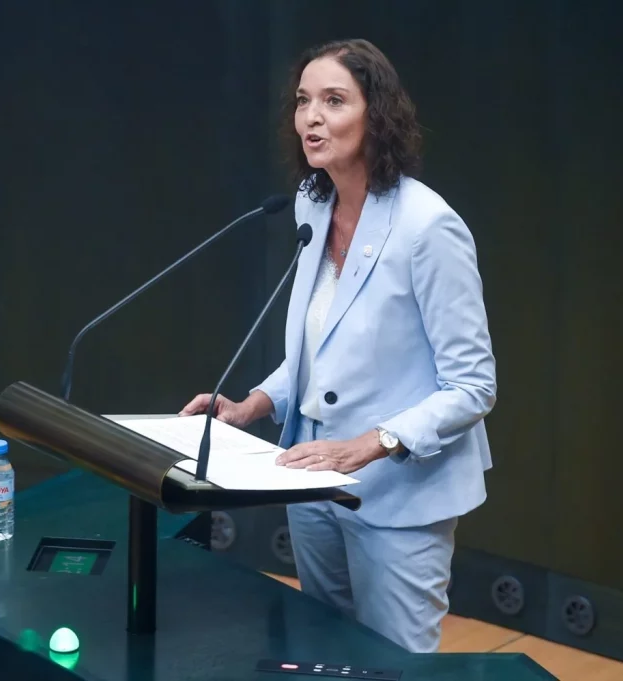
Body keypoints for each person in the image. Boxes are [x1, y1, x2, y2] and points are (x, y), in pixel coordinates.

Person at [179, 38, 497, 653]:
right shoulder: (313, 201)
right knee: (325, 655)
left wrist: (370, 445)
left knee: (392, 664)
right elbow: (319, 348)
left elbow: (474, 386)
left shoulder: (427, 228)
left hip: (399, 494)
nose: (312, 118)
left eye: (333, 100)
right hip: (310, 483)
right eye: (303, 102)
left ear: (376, 115)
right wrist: (253, 406)